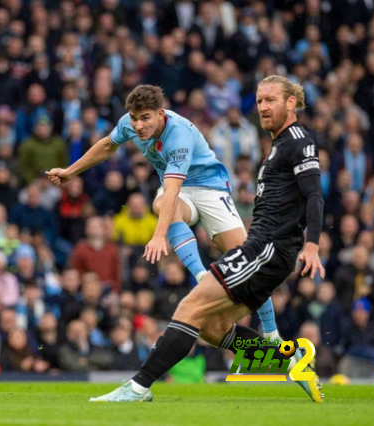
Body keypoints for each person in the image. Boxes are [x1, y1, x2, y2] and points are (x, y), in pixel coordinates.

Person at [88, 76, 324, 402]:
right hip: (265, 249)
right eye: (258, 101)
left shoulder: (297, 141)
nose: (262, 107)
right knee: (211, 329)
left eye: (270, 100)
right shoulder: (280, 143)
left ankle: (139, 387)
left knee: (190, 306)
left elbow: (314, 193)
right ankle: (290, 358)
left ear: (291, 102)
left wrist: (312, 244)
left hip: (266, 249)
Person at [47, 84, 283, 345]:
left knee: (246, 259)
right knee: (160, 205)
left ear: (160, 113)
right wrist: (70, 171)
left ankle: (272, 335)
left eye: (145, 118)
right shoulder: (128, 122)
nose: (138, 125)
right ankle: (202, 276)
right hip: (179, 192)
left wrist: (160, 236)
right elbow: (106, 145)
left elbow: (171, 191)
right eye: (135, 118)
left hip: (210, 189)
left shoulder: (178, 135)